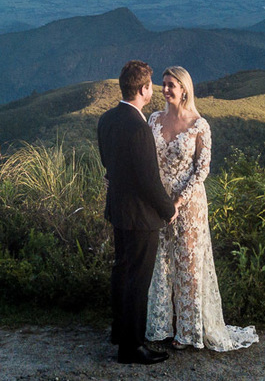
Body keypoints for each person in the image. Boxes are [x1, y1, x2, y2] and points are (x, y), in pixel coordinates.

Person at [146, 66, 258, 351]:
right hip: (157, 201)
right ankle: (158, 328)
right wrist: (157, 198)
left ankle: (188, 333)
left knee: (188, 266)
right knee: (159, 263)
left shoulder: (199, 125)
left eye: (172, 84)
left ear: (185, 89)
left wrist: (178, 201)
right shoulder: (153, 119)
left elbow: (202, 170)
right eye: (164, 84)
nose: (166, 89)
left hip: (189, 204)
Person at [98, 60, 177, 365]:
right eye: (151, 86)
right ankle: (132, 347)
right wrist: (168, 209)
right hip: (141, 216)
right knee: (137, 281)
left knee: (121, 272)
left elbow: (108, 163)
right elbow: (148, 180)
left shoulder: (107, 119)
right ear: (144, 89)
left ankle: (120, 332)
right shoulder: (138, 127)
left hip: (117, 209)